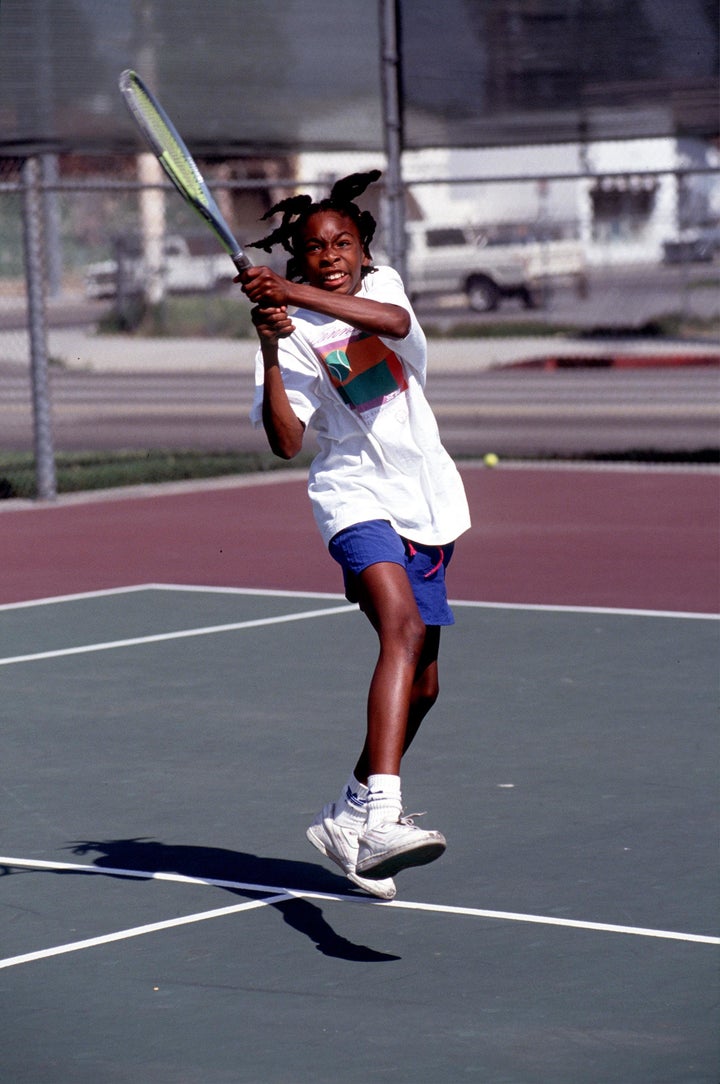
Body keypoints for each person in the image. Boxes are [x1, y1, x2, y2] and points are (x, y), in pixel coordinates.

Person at [239, 171, 470, 900]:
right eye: (313, 248)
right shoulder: (294, 328)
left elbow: (392, 329)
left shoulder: (385, 290)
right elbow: (285, 441)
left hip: (425, 499)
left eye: (341, 242)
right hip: (352, 499)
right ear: (297, 255)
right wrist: (275, 349)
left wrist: (290, 295)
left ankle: (345, 811)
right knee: (398, 630)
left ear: (363, 250)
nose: (329, 253)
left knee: (426, 684)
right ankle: (381, 816)